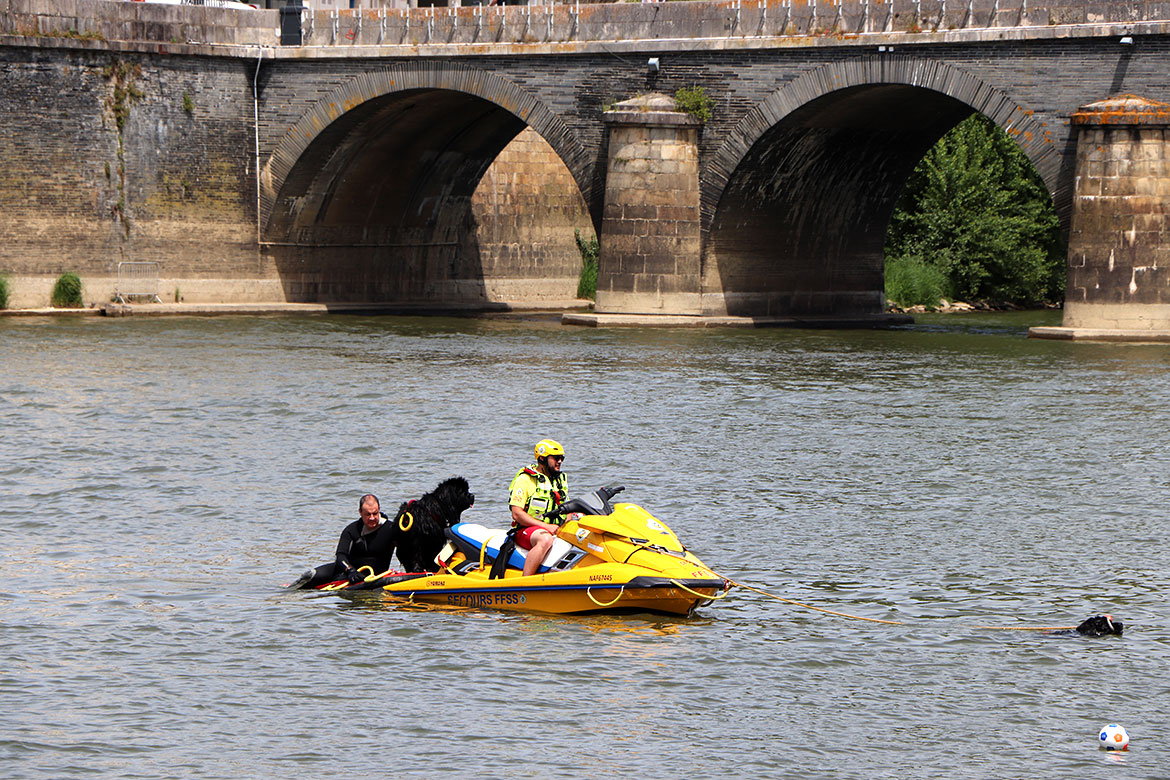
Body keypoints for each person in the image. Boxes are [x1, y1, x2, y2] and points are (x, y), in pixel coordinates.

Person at [299, 493, 397, 588]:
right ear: (360, 512)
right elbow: (340, 556)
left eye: (375, 513)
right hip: (350, 573)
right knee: (311, 575)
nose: (372, 518)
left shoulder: (391, 528)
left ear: (379, 509)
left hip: (375, 575)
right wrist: (350, 571)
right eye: (368, 514)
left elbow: (405, 550)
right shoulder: (351, 530)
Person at [508, 439, 569, 577]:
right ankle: (525, 582)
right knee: (545, 540)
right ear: (542, 458)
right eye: (556, 458)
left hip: (553, 528)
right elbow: (517, 514)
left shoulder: (559, 481)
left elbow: (567, 509)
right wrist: (546, 527)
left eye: (562, 458)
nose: (560, 461)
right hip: (526, 530)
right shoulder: (525, 480)